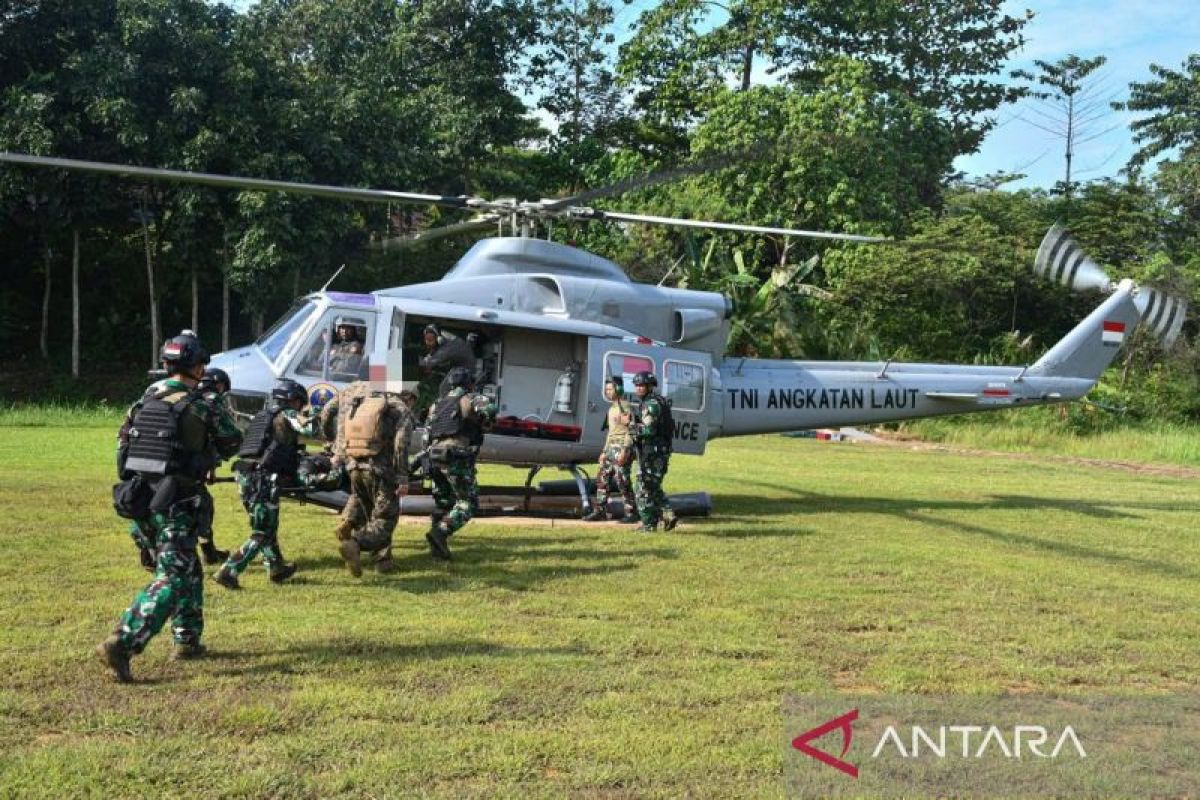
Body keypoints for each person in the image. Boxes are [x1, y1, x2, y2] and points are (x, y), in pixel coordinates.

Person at [97, 332, 242, 683]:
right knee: (174, 576)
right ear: (197, 365)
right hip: (177, 498)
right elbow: (232, 441)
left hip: (141, 498)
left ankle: (187, 640)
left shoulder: (144, 399)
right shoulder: (202, 402)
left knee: (188, 568)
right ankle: (124, 641)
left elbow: (122, 447)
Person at [212, 379, 319, 590]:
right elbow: (311, 430)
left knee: (266, 525)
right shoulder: (287, 414)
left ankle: (276, 568)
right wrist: (316, 411)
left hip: (245, 474)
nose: (301, 408)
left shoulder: (262, 416)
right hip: (263, 477)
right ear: (293, 401)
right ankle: (229, 571)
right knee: (262, 531)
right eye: (300, 404)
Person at [326, 380, 414, 577]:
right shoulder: (398, 409)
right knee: (384, 520)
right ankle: (355, 544)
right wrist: (402, 476)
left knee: (366, 510)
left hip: (355, 466)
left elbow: (328, 414)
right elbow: (401, 445)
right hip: (380, 471)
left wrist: (332, 444)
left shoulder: (358, 402)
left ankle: (383, 562)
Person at [424, 367, 496, 560]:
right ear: (469, 383)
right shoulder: (472, 398)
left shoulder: (437, 404)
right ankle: (440, 532)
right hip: (456, 457)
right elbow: (490, 410)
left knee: (444, 503)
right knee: (467, 503)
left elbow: (426, 434)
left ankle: (437, 551)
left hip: (434, 458)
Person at [583, 376, 640, 523]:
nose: (607, 391)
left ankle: (632, 512)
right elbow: (611, 432)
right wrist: (604, 451)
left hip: (622, 447)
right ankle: (600, 511)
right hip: (611, 448)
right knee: (602, 480)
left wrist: (625, 450)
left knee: (622, 481)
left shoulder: (625, 407)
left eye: (610, 388)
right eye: (606, 389)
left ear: (619, 389)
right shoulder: (611, 409)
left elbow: (631, 430)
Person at [194, 367, 234, 565]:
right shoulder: (209, 402)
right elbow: (218, 438)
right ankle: (208, 553)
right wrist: (212, 467)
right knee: (203, 506)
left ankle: (209, 552)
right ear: (218, 384)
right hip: (187, 467)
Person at [630, 371, 678, 533]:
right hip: (659, 451)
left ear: (650, 387)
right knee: (652, 486)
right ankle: (666, 515)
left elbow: (649, 430)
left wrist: (631, 426)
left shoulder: (651, 404)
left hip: (652, 452)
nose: (638, 388)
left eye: (642, 385)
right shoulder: (657, 401)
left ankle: (649, 524)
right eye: (636, 385)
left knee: (642, 487)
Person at [416, 325, 474, 410]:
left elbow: (429, 363)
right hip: (459, 365)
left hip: (464, 368)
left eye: (430, 339)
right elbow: (434, 353)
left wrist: (416, 360)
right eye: (426, 338)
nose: (427, 341)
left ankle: (445, 411)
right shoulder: (445, 337)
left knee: (443, 389)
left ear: (438, 338)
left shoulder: (448, 347)